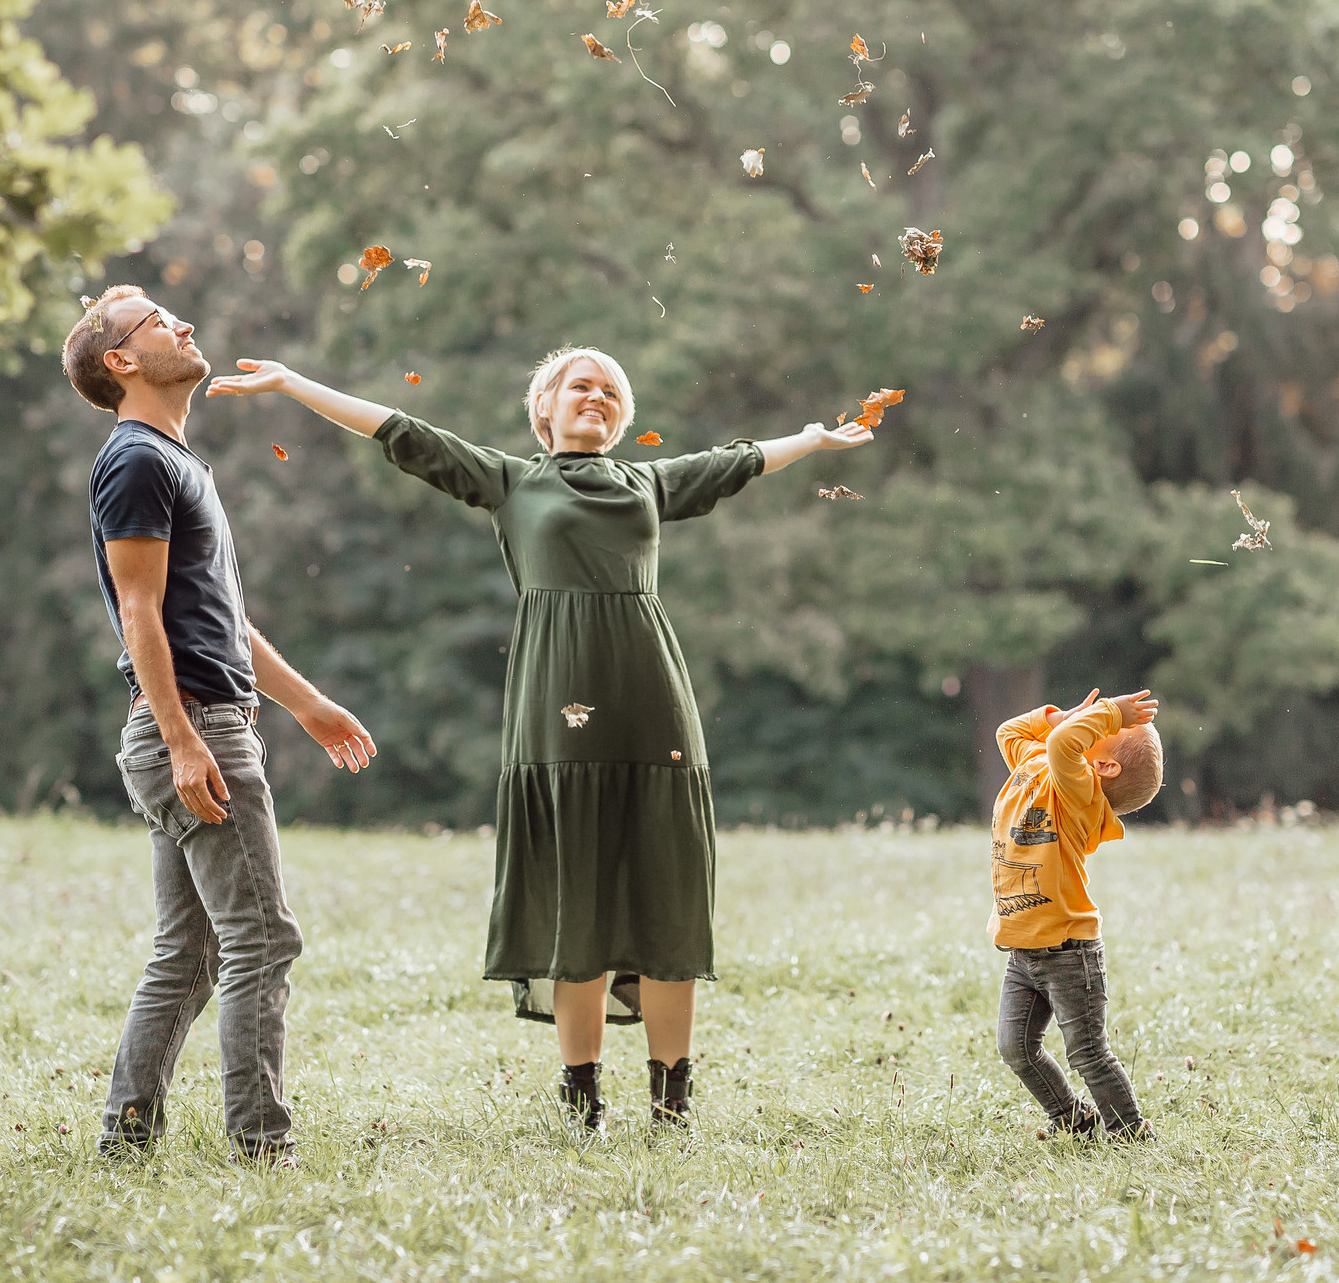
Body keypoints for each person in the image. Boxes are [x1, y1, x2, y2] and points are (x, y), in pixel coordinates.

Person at [207, 344, 874, 1130]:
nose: (598, 396)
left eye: (611, 390)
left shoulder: (650, 482)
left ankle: (672, 1104)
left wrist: (812, 440)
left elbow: (739, 460)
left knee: (668, 898)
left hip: (652, 701)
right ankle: (582, 1098)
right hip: (556, 706)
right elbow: (400, 429)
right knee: (575, 900)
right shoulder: (511, 481)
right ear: (545, 409)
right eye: (580, 386)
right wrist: (292, 383)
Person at [61, 285, 378, 1165]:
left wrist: (306, 703)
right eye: (159, 322)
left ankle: (128, 1140)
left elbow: (221, 619)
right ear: (121, 361)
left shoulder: (176, 461)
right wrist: (183, 736)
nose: (185, 324)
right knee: (262, 938)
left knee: (191, 952)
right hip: (192, 726)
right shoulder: (135, 461)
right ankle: (261, 1146)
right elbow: (139, 610)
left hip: (205, 717)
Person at [989, 687, 1162, 1141]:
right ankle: (1071, 1118)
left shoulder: (1079, 795)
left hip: (1069, 951)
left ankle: (1130, 1133)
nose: (1092, 723)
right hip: (1022, 949)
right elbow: (1009, 731)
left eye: (1104, 730)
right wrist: (1060, 714)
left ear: (1102, 768)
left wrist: (1111, 713)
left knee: (1087, 1052)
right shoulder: (1039, 769)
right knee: (1016, 1049)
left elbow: (1063, 743)